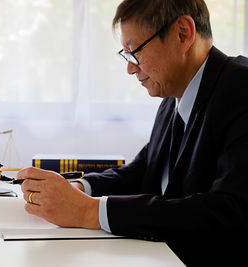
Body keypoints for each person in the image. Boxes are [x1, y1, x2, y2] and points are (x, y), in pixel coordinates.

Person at [16, 0, 248, 265]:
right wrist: (79, 188)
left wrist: (88, 212)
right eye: (125, 54)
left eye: (134, 51)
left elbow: (230, 212)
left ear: (183, 34)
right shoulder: (173, 97)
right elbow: (143, 170)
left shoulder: (241, 90)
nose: (130, 68)